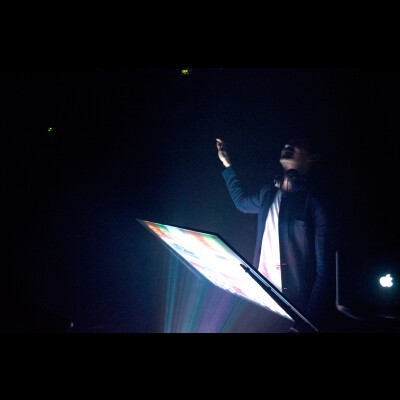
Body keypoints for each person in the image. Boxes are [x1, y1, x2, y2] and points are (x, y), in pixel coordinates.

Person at [216, 135, 338, 332]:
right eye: (288, 141)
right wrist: (227, 164)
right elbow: (241, 203)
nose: (288, 144)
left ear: (313, 157)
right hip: (262, 301)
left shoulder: (314, 201)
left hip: (295, 310)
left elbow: (325, 272)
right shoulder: (268, 192)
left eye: (298, 143)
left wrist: (307, 323)